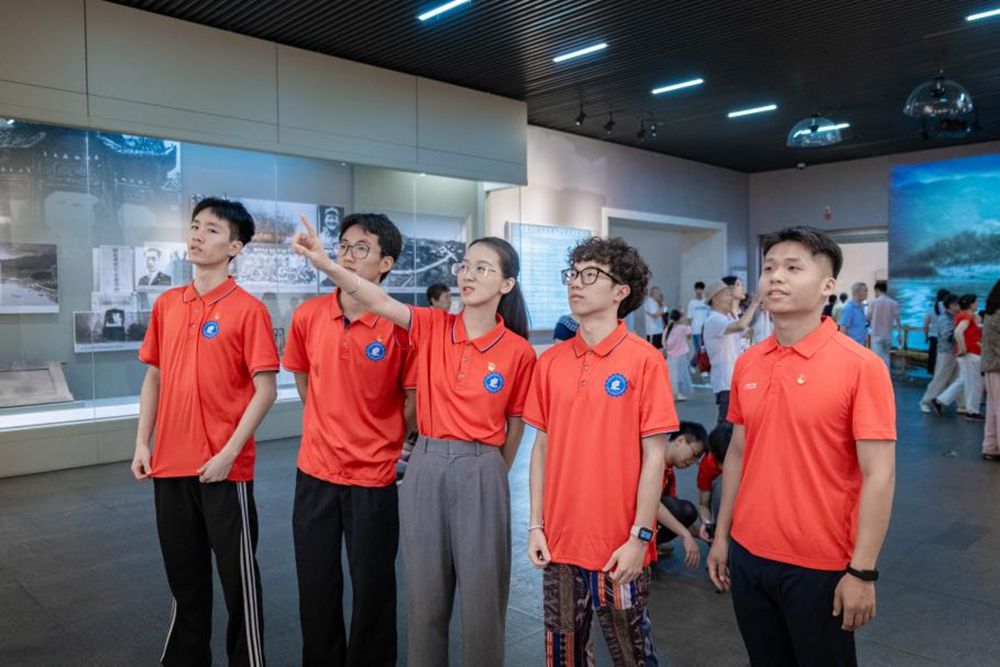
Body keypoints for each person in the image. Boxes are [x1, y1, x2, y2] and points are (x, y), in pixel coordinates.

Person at [292, 218, 535, 667]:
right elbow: (375, 298)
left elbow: (515, 425)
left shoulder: (519, 351)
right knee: (425, 601)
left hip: (481, 465)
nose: (468, 275)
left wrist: (491, 473)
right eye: (465, 266)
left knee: (483, 600)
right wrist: (325, 264)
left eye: (482, 269)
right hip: (425, 463)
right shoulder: (430, 325)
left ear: (507, 283)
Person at [707, 226, 896, 667]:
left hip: (820, 564)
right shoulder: (748, 362)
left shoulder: (861, 367)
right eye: (770, 267)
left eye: (793, 268)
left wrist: (862, 570)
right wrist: (722, 536)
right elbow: (738, 453)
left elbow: (880, 474)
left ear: (827, 285)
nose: (776, 277)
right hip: (749, 554)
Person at [131, 197, 280, 667]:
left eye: (212, 230)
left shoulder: (248, 310)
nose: (197, 235)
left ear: (235, 247)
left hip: (223, 469)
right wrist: (141, 443)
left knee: (239, 584)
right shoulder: (167, 304)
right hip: (169, 465)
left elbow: (266, 390)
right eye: (195, 226)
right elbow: (154, 377)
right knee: (186, 583)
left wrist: (229, 453)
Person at [524, 236, 679, 667]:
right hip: (559, 542)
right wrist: (536, 525)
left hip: (618, 544)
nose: (575, 282)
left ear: (620, 291)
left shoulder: (645, 360)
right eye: (572, 273)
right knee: (563, 655)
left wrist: (640, 536)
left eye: (590, 274)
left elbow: (655, 458)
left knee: (632, 653)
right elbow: (541, 447)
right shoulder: (550, 362)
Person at [282, 213, 415, 666]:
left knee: (373, 588)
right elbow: (304, 379)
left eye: (362, 248)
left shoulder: (400, 325)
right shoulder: (309, 315)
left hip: (373, 477)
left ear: (386, 263)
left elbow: (412, 402)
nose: (348, 255)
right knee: (316, 586)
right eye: (344, 246)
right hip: (315, 471)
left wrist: (381, 436)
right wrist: (328, 422)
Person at [702, 280, 760, 424]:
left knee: (737, 426)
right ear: (715, 299)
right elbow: (740, 325)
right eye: (727, 295)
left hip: (734, 380)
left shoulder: (726, 318)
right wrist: (754, 303)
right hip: (726, 382)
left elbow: (746, 330)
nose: (731, 299)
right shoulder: (714, 320)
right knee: (726, 427)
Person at [656, 422, 709, 569]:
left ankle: (651, 543)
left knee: (684, 511)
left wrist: (702, 535)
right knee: (683, 509)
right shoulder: (653, 461)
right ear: (680, 440)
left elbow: (676, 515)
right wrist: (685, 535)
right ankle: (646, 544)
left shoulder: (668, 471)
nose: (693, 462)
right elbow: (652, 505)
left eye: (697, 460)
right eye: (694, 455)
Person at [934, 294, 984, 421]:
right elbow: (958, 332)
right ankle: (972, 411)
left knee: (964, 380)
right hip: (970, 353)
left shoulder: (964, 316)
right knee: (974, 383)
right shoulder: (966, 317)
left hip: (970, 353)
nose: (977, 304)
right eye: (976, 302)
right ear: (971, 304)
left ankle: (941, 400)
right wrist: (963, 348)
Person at [696, 422, 733, 542]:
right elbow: (703, 505)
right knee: (723, 481)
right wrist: (707, 523)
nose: (723, 467)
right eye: (720, 463)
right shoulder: (708, 463)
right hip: (724, 514)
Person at [981, 280, 1000, 460]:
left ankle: (991, 447)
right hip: (998, 366)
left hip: (991, 366)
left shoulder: (991, 313)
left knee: (993, 409)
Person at [867, 280, 901, 369]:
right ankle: (886, 375)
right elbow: (898, 320)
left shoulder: (873, 303)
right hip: (888, 335)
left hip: (876, 334)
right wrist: (899, 334)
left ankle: (878, 376)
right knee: (886, 357)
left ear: (877, 290)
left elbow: (868, 317)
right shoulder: (893, 303)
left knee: (877, 358)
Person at [665, 309, 693, 400]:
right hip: (681, 355)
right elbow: (690, 335)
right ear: (680, 318)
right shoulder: (682, 328)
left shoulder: (667, 329)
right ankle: (679, 393)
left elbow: (664, 342)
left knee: (672, 375)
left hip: (671, 356)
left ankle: (671, 393)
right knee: (681, 375)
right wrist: (686, 322)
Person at [923, 289, 951, 374]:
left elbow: (925, 325)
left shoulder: (931, 308)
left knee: (932, 357)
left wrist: (926, 336)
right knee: (943, 358)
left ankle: (931, 373)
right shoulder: (949, 308)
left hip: (933, 336)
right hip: (945, 337)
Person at [687, 281, 711, 368]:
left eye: (701, 289)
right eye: (697, 289)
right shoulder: (691, 303)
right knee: (699, 350)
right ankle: (693, 364)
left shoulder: (706, 302)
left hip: (706, 330)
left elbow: (710, 315)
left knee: (706, 350)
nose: (699, 291)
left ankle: (703, 368)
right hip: (696, 330)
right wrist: (689, 330)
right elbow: (689, 318)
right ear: (695, 290)